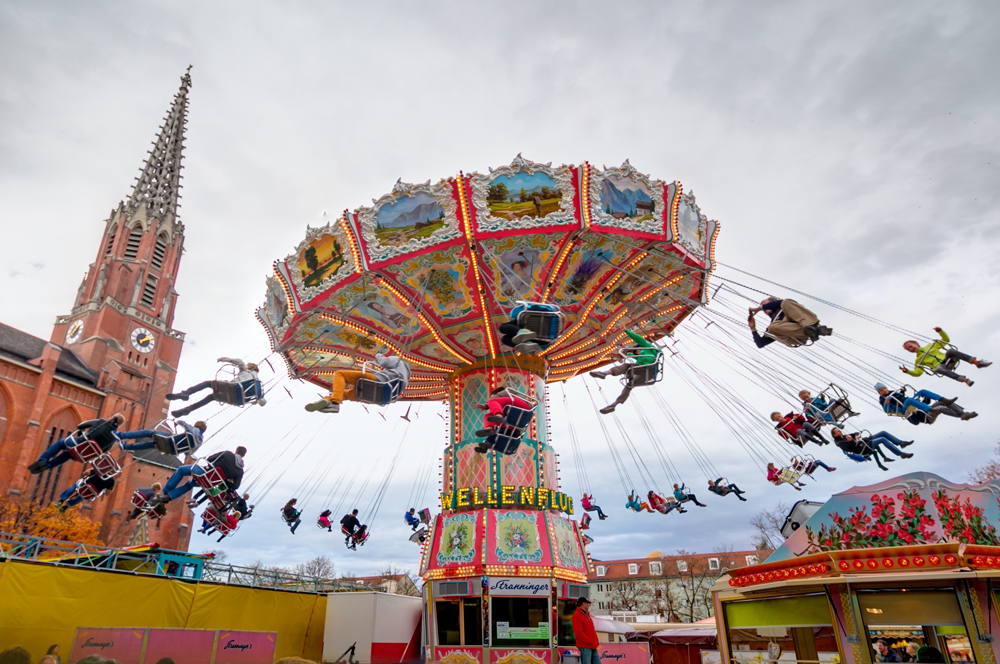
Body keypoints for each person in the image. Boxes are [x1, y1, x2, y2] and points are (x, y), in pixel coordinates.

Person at [305, 353, 410, 414]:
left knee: (340, 374)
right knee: (344, 394)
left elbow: (384, 362)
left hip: (381, 383)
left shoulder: (398, 361)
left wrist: (378, 355)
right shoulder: (407, 376)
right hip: (384, 398)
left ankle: (335, 403)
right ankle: (327, 401)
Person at [590, 329, 661, 414]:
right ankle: (614, 404)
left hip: (647, 367)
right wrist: (622, 351)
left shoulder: (647, 348)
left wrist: (625, 330)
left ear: (640, 348)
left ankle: (605, 373)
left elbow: (637, 338)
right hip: (646, 374)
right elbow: (630, 355)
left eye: (637, 351)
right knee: (629, 386)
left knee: (626, 366)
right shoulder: (639, 357)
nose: (636, 353)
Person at [168, 357, 265, 417]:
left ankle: (186, 393)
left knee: (208, 384)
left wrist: (224, 359)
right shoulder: (257, 383)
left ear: (250, 367)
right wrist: (258, 402)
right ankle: (187, 410)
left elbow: (239, 362)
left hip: (233, 388)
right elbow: (262, 402)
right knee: (211, 397)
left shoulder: (246, 371)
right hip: (236, 399)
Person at [28, 414, 125, 474]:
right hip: (83, 456)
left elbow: (81, 425)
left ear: (112, 418)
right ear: (120, 425)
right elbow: (103, 451)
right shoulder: (114, 437)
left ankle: (43, 460)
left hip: (76, 444)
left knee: (61, 443)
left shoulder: (101, 421)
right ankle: (48, 466)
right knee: (68, 454)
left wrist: (81, 436)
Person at [156, 446, 246, 504]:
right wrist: (225, 480)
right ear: (243, 456)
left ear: (236, 451)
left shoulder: (227, 454)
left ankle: (166, 492)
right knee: (190, 484)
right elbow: (235, 486)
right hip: (210, 484)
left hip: (204, 474)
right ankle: (169, 497)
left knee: (181, 470)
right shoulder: (240, 471)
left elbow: (210, 459)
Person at [901, 328, 990, 385]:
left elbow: (945, 340)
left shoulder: (930, 346)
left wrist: (940, 331)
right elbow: (918, 373)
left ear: (916, 344)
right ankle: (964, 380)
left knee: (950, 351)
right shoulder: (918, 360)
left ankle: (977, 363)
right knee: (938, 369)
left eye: (910, 346)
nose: (911, 349)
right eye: (908, 349)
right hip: (941, 366)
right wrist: (907, 371)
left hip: (947, 359)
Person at [748, 297, 832, 348]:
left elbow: (780, 303)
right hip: (795, 337)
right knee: (772, 327)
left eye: (765, 305)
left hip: (801, 322)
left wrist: (759, 308)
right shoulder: (773, 324)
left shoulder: (783, 306)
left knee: (786, 302)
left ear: (772, 303)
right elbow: (760, 343)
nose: (764, 309)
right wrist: (752, 328)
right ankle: (812, 330)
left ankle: (812, 328)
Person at [876, 383, 977, 423]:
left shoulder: (893, 391)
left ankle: (961, 413)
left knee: (922, 391)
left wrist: (903, 391)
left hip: (909, 402)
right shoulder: (882, 399)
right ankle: (930, 409)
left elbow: (901, 396)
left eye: (884, 388)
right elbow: (886, 410)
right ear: (879, 392)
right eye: (881, 390)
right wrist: (886, 403)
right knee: (909, 400)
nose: (884, 390)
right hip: (903, 408)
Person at [831, 428, 912, 470]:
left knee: (883, 433)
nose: (839, 432)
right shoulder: (840, 443)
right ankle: (900, 454)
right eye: (837, 432)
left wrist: (855, 436)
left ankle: (901, 443)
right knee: (882, 439)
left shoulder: (845, 436)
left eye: (839, 430)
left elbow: (855, 433)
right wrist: (851, 441)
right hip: (863, 448)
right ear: (834, 435)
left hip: (865, 441)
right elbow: (851, 449)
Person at [118, 420, 206, 453]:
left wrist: (177, 422)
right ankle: (125, 447)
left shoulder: (194, 430)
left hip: (169, 440)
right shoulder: (200, 443)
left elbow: (182, 423)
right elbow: (188, 453)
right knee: (150, 445)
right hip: (171, 451)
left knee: (148, 433)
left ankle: (121, 435)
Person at [571, 597, 601, 664]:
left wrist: (594, 641)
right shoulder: (577, 615)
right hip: (585, 645)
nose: (588, 605)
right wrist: (590, 640)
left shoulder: (586, 615)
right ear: (583, 604)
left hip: (592, 645)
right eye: (587, 603)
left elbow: (591, 630)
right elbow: (578, 633)